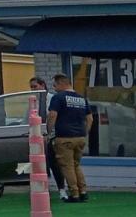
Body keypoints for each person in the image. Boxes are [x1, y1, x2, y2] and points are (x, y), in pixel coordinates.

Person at [46, 74, 94, 203]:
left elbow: (52, 115)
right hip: (80, 137)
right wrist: (85, 133)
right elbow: (90, 118)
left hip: (64, 137)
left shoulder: (58, 98)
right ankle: (83, 191)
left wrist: (48, 133)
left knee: (67, 166)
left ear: (62, 83)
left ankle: (74, 194)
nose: (54, 88)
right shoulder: (81, 99)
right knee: (76, 165)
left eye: (55, 85)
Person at [28, 76, 68, 199]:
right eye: (31, 87)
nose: (33, 89)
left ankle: (62, 190)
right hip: (36, 137)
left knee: (54, 164)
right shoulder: (32, 101)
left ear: (43, 85)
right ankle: (40, 190)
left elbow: (54, 117)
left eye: (35, 86)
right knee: (37, 165)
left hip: (51, 136)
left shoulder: (52, 99)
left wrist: (50, 134)